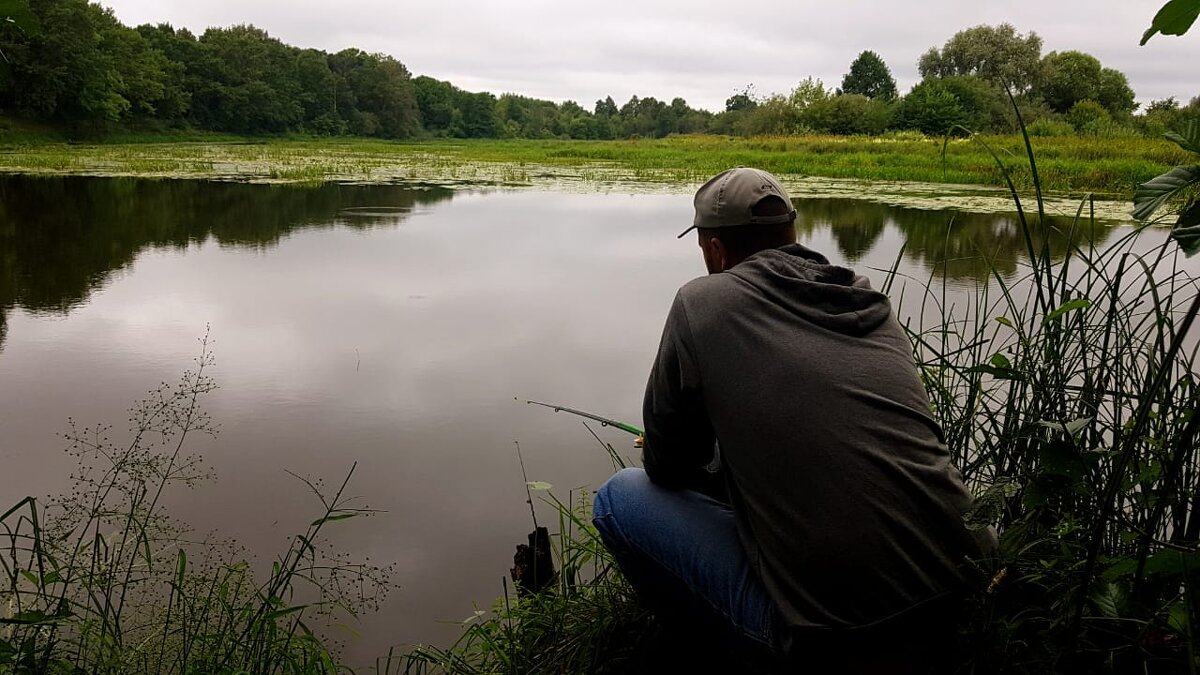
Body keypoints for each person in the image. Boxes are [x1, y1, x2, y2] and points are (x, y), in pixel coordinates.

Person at [591, 167, 995, 671]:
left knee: (619, 498)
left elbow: (668, 468)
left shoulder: (701, 302)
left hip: (838, 640)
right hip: (965, 591)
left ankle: (703, 648)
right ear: (793, 233)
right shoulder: (866, 298)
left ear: (715, 250)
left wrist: (708, 452)